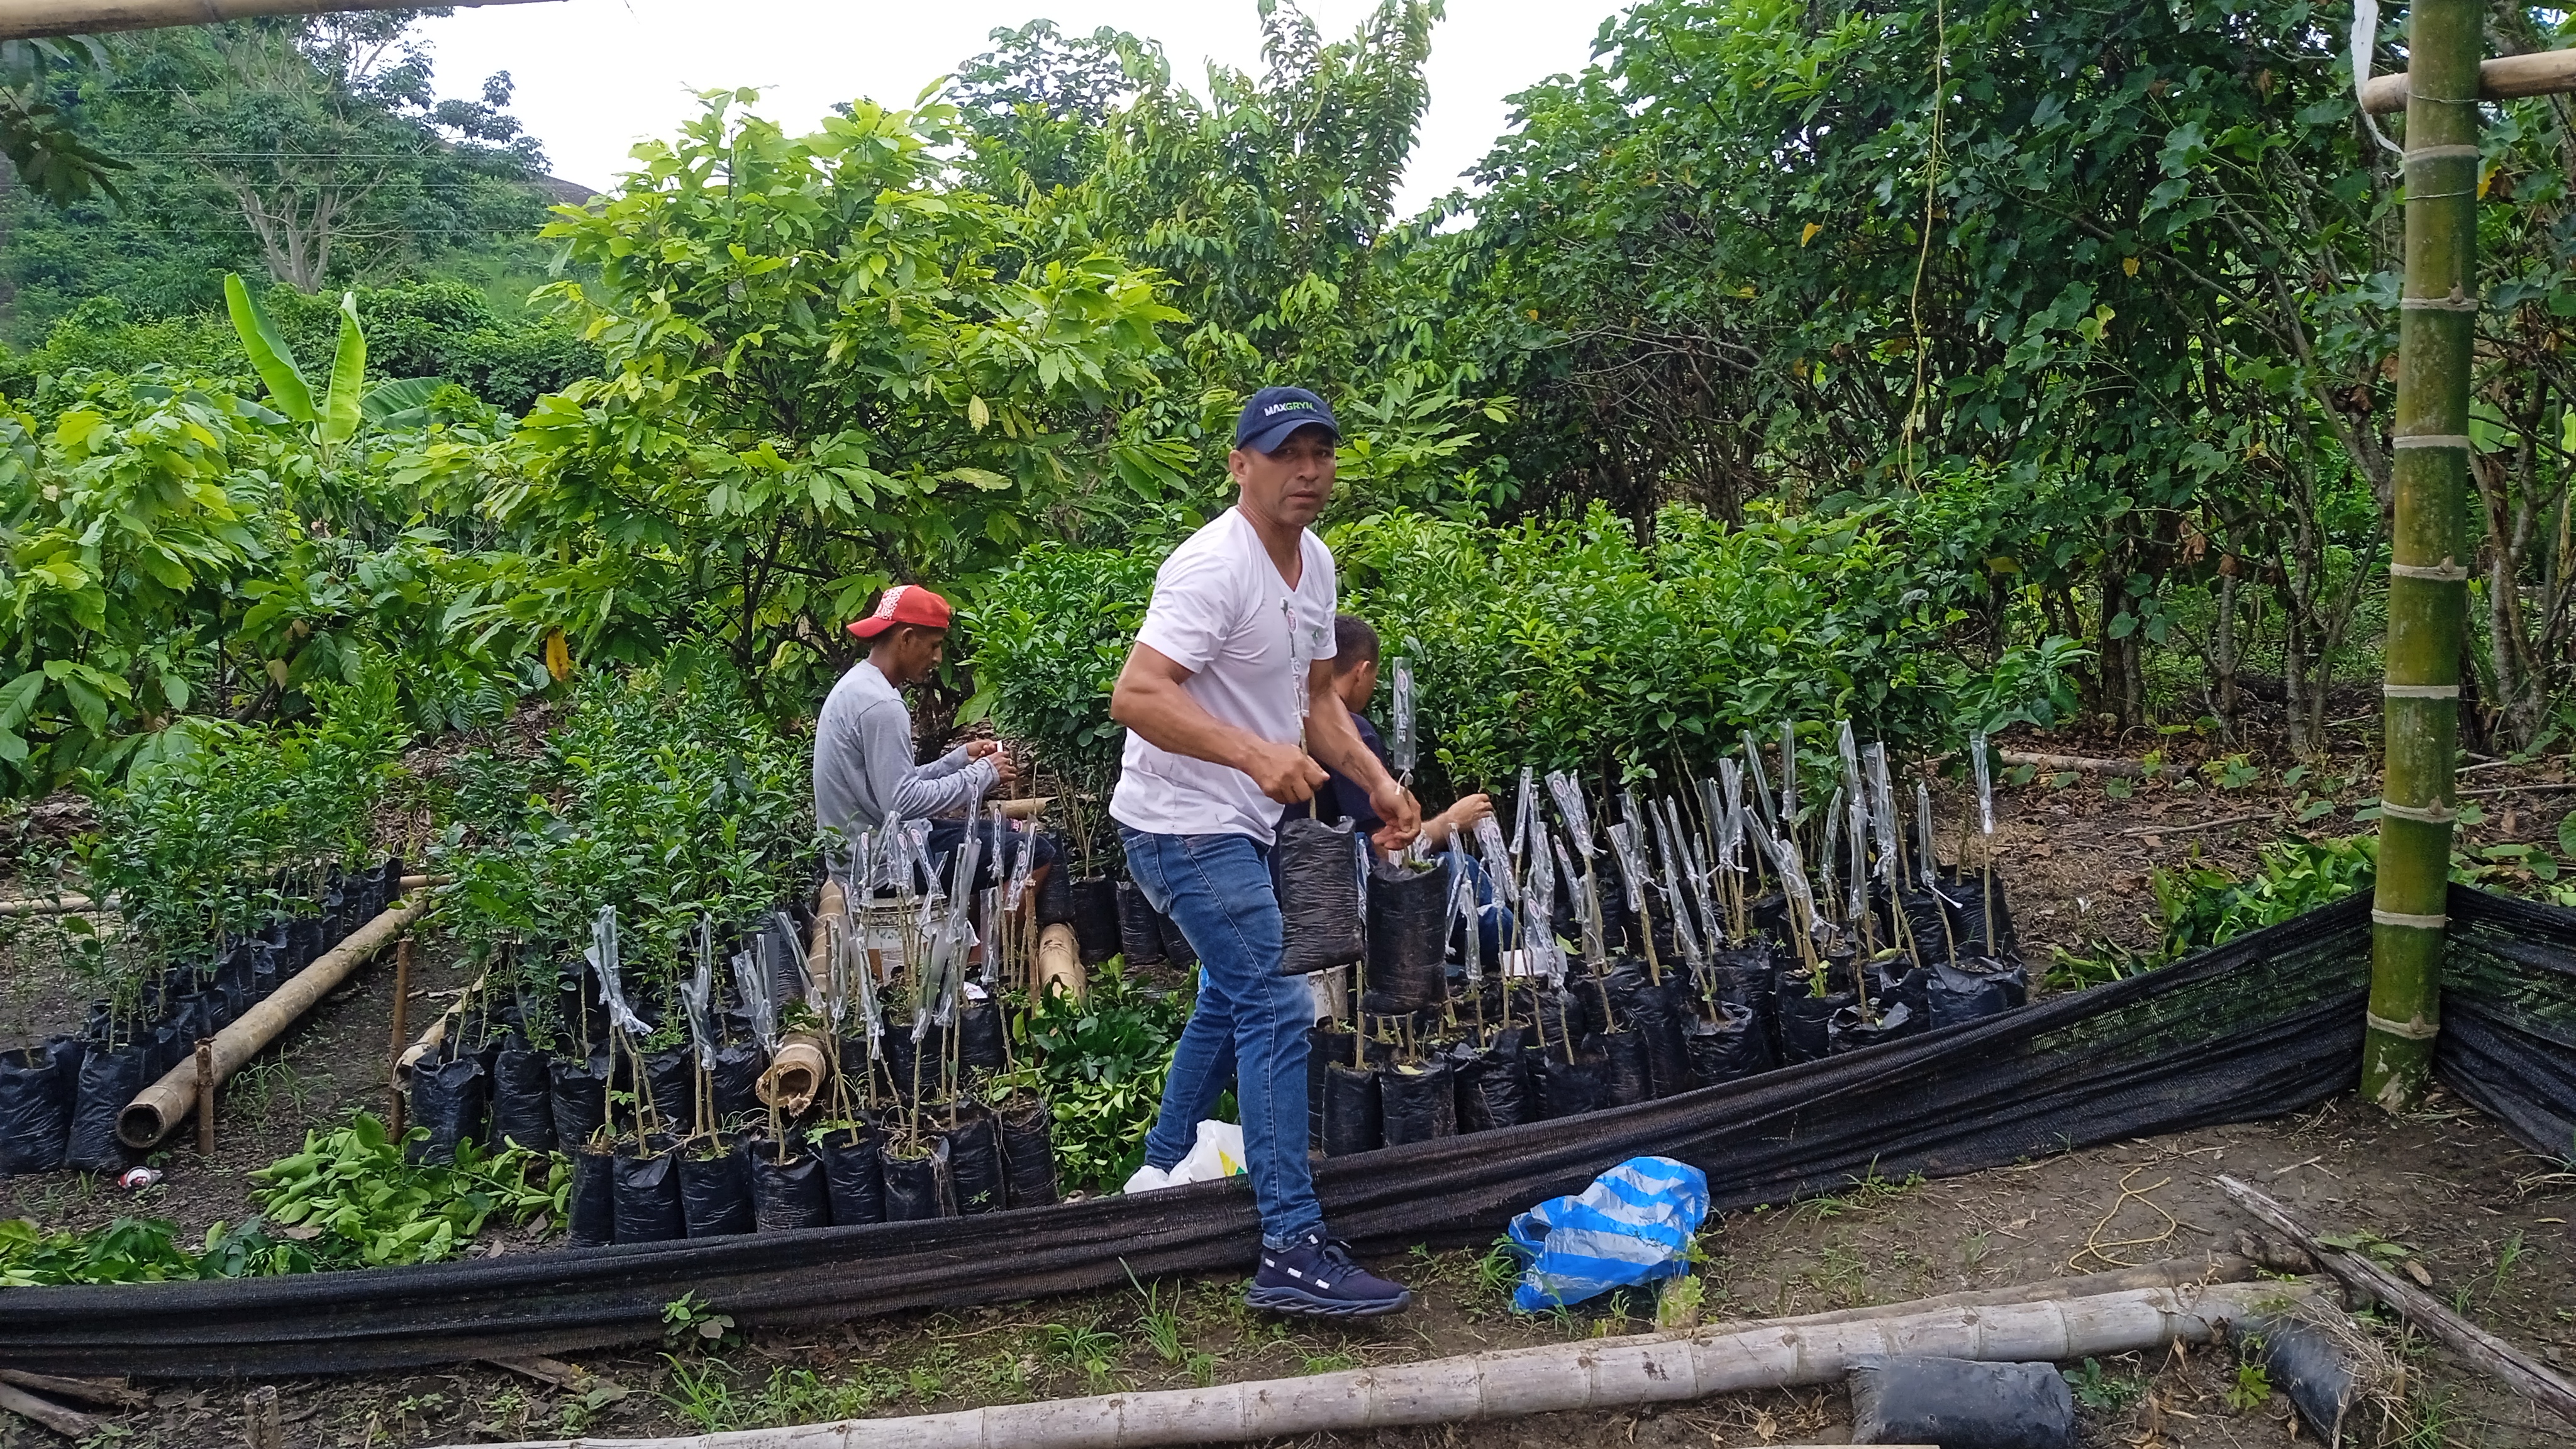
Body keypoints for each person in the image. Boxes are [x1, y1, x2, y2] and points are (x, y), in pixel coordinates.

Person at [1108, 385, 1421, 1319]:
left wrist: (1377, 781)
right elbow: (1137, 695)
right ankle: (1289, 1244)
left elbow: (1318, 700)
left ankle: (1160, 1175)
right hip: (1179, 824)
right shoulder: (1213, 567)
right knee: (1278, 1002)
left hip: (1237, 824)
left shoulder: (1314, 562)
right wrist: (1253, 755)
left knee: (1230, 994)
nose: (1309, 472)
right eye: (1287, 454)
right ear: (1241, 465)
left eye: (1321, 453)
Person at [1289, 613, 1511, 962]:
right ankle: (1521, 950)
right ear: (1362, 671)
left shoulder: (1289, 726)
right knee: (1466, 873)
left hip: (1295, 888)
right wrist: (1451, 822)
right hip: (1342, 900)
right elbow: (1386, 853)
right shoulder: (1353, 735)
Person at [814, 583, 1055, 891]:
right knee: (1035, 852)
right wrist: (984, 774)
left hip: (871, 851)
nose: (938, 657)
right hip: (885, 867)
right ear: (906, 638)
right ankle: (981, 927)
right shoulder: (882, 705)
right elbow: (903, 802)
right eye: (934, 645)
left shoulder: (859, 685)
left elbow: (891, 786)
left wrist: (957, 761)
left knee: (1009, 835)